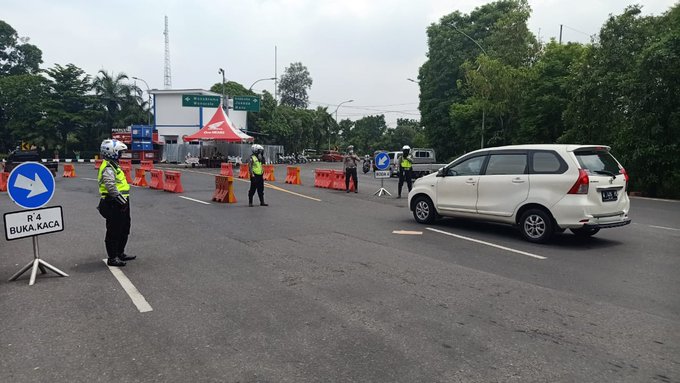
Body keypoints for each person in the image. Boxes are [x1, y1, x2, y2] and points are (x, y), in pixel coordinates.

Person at [97, 139, 134, 267]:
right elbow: (110, 186)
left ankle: (120, 252)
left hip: (121, 202)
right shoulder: (108, 167)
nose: (121, 155)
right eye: (119, 152)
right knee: (114, 230)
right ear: (112, 153)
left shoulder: (114, 165)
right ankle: (112, 257)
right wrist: (121, 201)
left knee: (124, 228)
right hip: (114, 203)